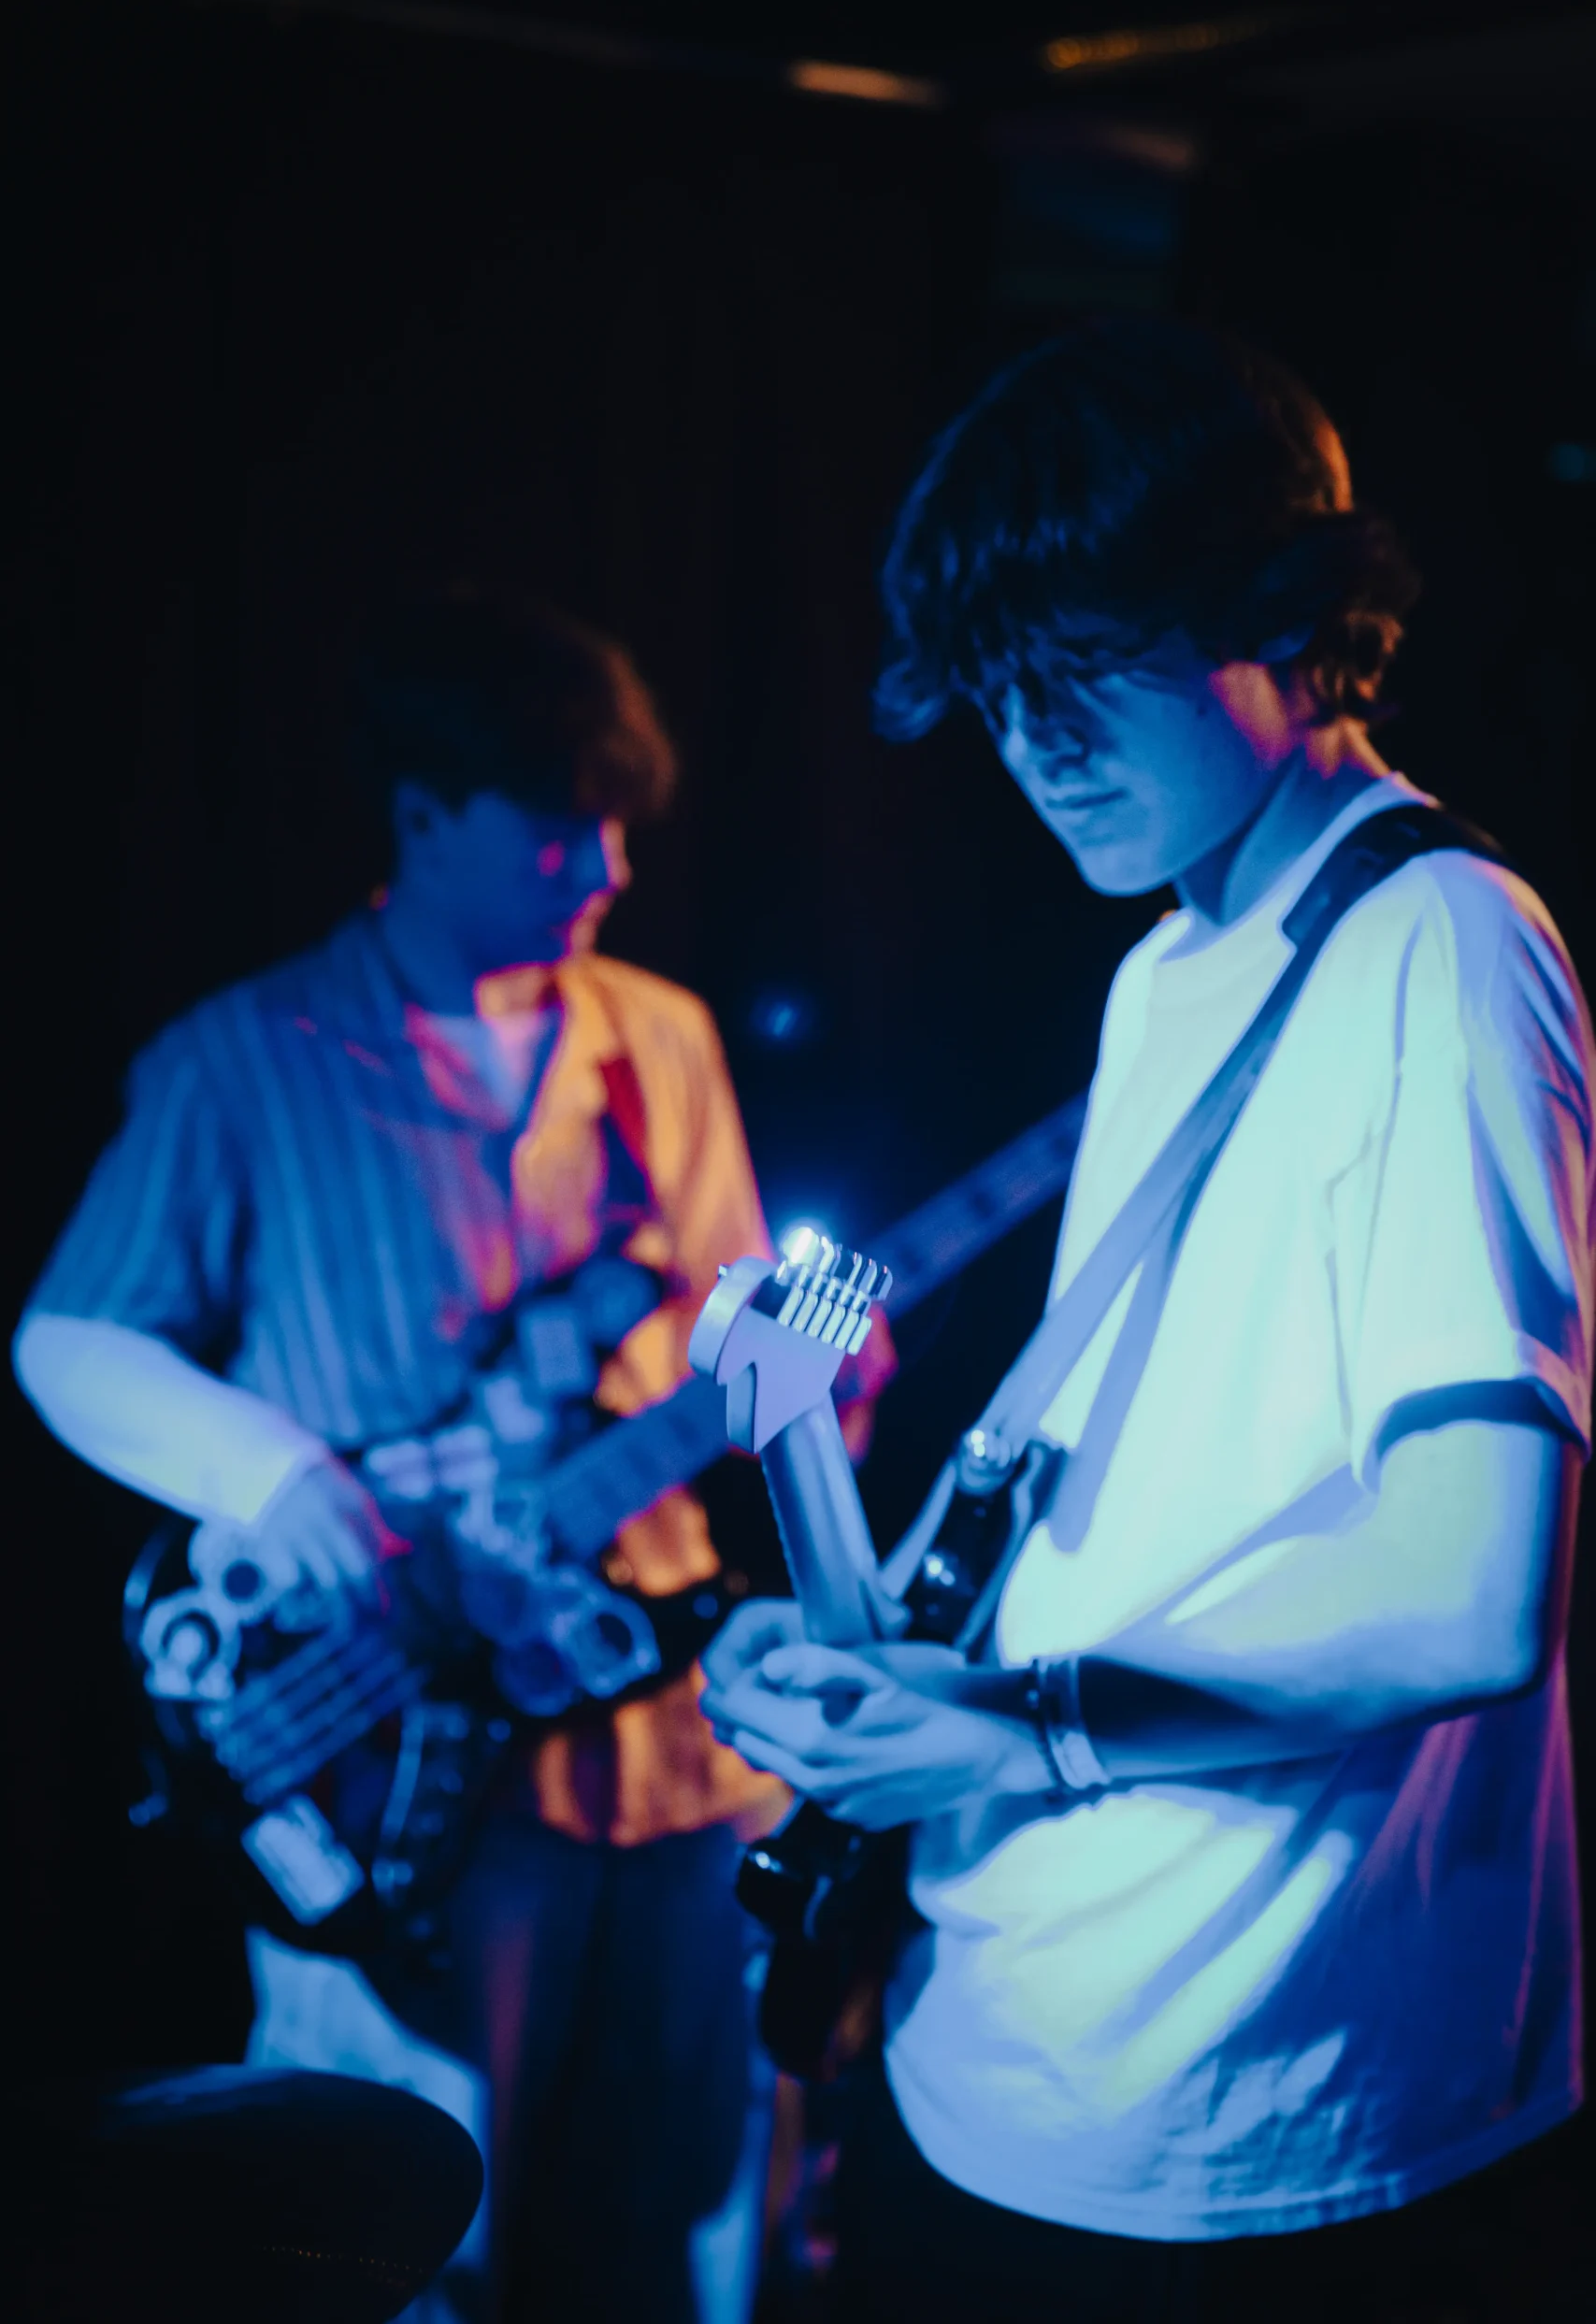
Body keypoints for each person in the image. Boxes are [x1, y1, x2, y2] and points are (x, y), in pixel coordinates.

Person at [702, 321, 1592, 2321]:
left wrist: (1022, 1724)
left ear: (1286, 613)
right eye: (994, 687)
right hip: (1017, 2028)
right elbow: (1148, 1494)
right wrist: (868, 1648)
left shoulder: (1442, 943)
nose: (1033, 743)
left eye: (1082, 665)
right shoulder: (1171, 962)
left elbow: (1469, 1596)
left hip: (1243, 2113)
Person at [14, 592, 868, 2324]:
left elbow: (745, 1364)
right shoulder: (238, 1060)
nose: (608, 867)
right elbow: (69, 1339)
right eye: (559, 828)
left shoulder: (661, 1037)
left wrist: (814, 1393)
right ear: (420, 812)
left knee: (713, 2202)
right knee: (412, 2232)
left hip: (676, 1739)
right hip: (406, 1780)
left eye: (619, 826)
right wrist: (274, 1475)